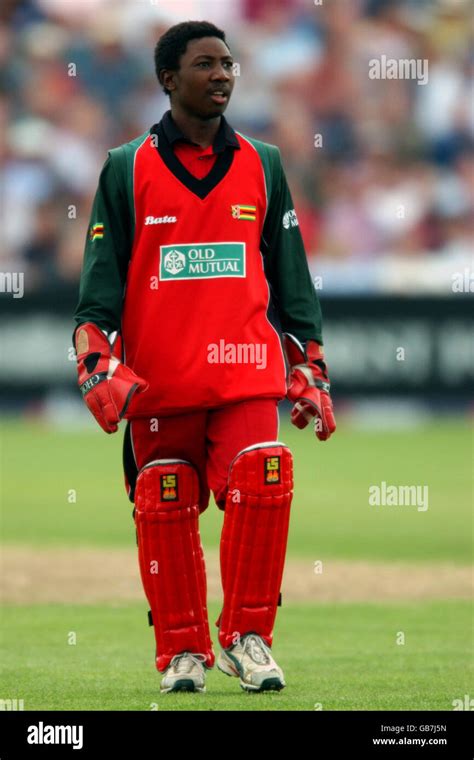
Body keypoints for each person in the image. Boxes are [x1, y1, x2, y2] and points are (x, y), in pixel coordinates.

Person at [73, 20, 336, 695]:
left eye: (228, 63)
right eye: (204, 64)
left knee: (266, 475)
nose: (222, 74)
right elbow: (99, 289)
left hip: (245, 371)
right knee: (165, 499)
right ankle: (180, 652)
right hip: (161, 381)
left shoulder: (264, 162)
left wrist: (309, 362)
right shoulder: (126, 166)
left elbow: (291, 275)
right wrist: (96, 358)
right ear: (168, 78)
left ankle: (247, 639)